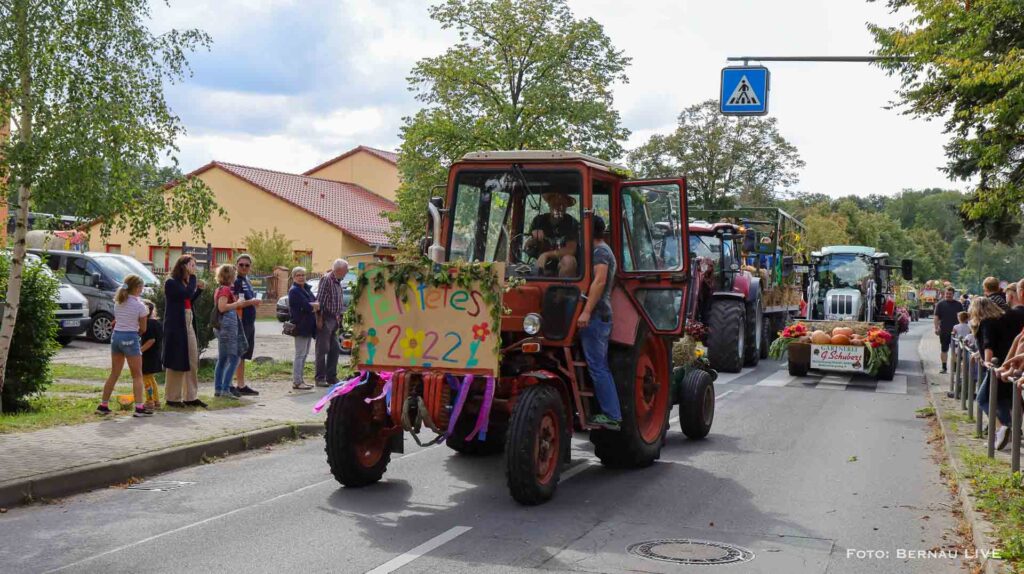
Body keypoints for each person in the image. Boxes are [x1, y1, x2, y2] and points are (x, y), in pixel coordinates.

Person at [577, 215, 621, 430]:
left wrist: (586, 311)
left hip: (597, 315)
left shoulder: (601, 252)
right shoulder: (599, 250)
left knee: (597, 366)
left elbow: (600, 281)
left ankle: (612, 415)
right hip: (597, 315)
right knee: (596, 365)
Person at [95, 275, 152, 417]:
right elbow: (143, 328)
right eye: (141, 287)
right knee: (137, 375)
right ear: (137, 288)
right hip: (130, 338)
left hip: (116, 337)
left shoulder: (118, 302)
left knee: (114, 373)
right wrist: (137, 332)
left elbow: (119, 320)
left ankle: (103, 405)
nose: (142, 290)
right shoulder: (140, 306)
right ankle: (139, 408)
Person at [163, 255, 207, 408]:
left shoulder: (185, 282)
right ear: (183, 265)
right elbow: (185, 294)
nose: (194, 268)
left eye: (195, 266)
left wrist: (199, 290)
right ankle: (172, 397)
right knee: (177, 360)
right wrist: (193, 278)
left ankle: (190, 396)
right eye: (192, 265)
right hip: (176, 325)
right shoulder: (171, 282)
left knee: (192, 359)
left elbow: (188, 299)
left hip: (187, 321)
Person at [970, 297, 1012, 449]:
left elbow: (988, 343)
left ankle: (1001, 428)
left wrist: (987, 361)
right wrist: (979, 354)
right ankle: (1006, 438)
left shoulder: (986, 322)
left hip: (995, 365)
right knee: (1001, 401)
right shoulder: (1000, 320)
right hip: (1005, 363)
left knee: (982, 399)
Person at [213, 264, 249, 399]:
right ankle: (225, 389)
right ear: (230, 276)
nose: (236, 276)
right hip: (227, 327)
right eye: (234, 274)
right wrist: (238, 304)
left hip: (224, 327)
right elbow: (222, 307)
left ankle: (218, 389)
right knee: (234, 358)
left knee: (223, 359)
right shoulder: (225, 289)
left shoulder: (220, 289)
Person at [525, 191, 579, 277]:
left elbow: (571, 250)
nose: (558, 207)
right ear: (549, 204)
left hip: (562, 267)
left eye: (562, 204)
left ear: (566, 206)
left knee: (569, 261)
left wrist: (546, 255)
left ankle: (564, 285)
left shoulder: (571, 223)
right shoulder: (539, 221)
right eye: (555, 204)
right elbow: (526, 247)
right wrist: (533, 238)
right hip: (542, 266)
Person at [315, 258, 348, 387]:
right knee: (322, 349)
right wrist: (319, 318)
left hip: (334, 319)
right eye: (346, 270)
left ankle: (331, 377)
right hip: (326, 318)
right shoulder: (327, 279)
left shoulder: (337, 281)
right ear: (339, 270)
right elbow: (320, 301)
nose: (347, 272)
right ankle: (320, 378)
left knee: (335, 349)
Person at [232, 254, 261, 397]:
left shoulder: (247, 280)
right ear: (236, 265)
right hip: (240, 322)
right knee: (237, 354)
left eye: (247, 265)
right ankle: (230, 384)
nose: (244, 267)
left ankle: (241, 384)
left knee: (243, 354)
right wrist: (252, 302)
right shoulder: (236, 281)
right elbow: (237, 302)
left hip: (249, 321)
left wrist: (254, 302)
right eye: (241, 265)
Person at [288, 266, 319, 390]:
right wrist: (313, 306)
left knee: (304, 354)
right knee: (300, 355)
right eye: (298, 275)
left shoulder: (305, 288)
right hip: (300, 326)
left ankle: (300, 380)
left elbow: (315, 302)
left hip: (308, 326)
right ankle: (297, 381)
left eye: (303, 275)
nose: (301, 277)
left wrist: (313, 305)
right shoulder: (294, 291)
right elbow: (306, 306)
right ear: (293, 277)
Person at [933, 287, 963, 373]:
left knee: (955, 351)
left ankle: (955, 368)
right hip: (944, 330)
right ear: (944, 294)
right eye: (947, 293)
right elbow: (936, 317)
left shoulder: (958, 304)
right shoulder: (940, 304)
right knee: (944, 350)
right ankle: (944, 367)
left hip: (956, 332)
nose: (948, 295)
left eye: (950, 294)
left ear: (953, 294)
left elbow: (962, 317)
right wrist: (936, 328)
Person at [140, 300, 163, 411]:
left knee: (146, 380)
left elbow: (151, 340)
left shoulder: (148, 324)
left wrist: (140, 351)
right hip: (156, 355)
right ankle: (156, 401)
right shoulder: (157, 323)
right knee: (151, 379)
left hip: (148, 357)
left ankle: (150, 401)